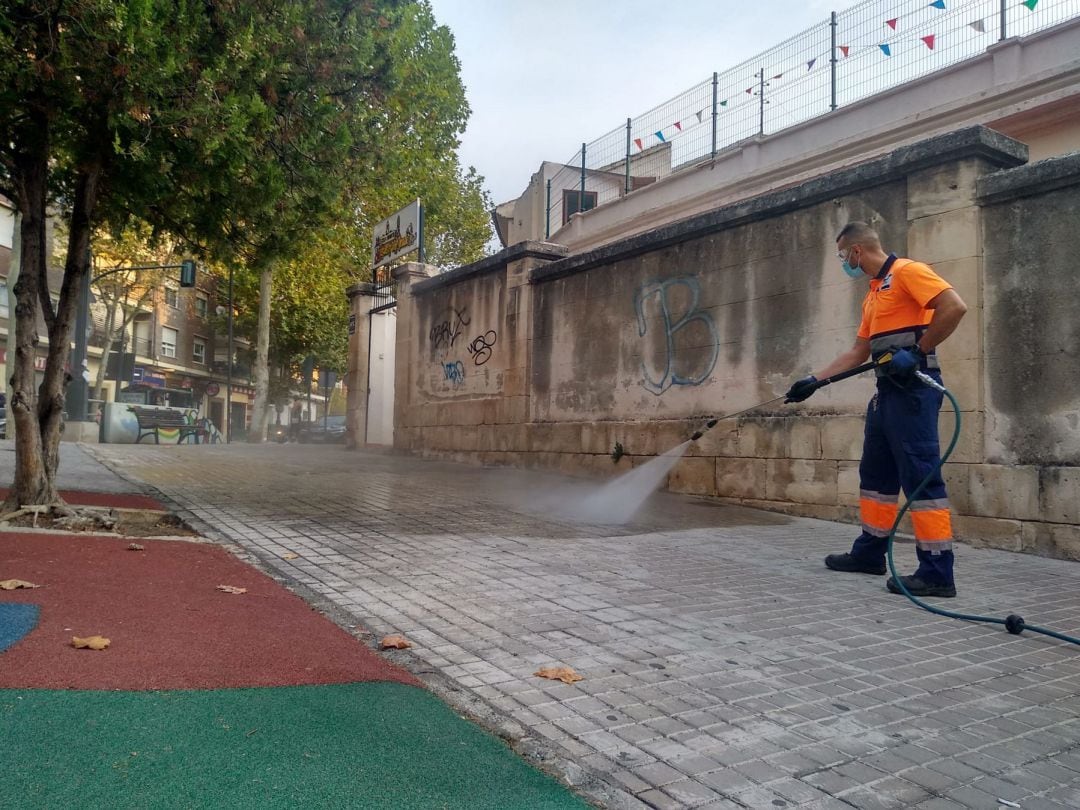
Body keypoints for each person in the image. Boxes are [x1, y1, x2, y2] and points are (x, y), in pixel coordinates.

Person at [784, 222, 968, 598]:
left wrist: (917, 351)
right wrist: (813, 381)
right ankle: (870, 553)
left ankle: (937, 572)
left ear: (855, 252)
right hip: (887, 392)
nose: (843, 264)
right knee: (876, 476)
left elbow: (954, 307)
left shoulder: (908, 272)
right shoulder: (874, 294)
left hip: (914, 389)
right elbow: (859, 351)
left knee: (920, 477)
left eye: (842, 256)